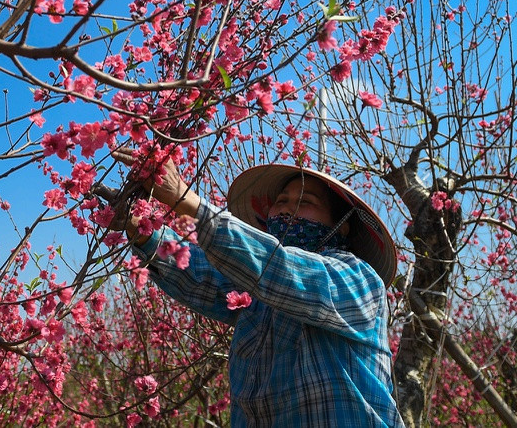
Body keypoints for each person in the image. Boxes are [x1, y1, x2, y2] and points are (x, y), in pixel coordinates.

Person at [106, 154, 405, 427]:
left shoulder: (359, 279)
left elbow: (286, 271)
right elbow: (202, 274)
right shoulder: (255, 297)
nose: (287, 208)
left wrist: (185, 200)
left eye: (305, 202)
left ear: (342, 227)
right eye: (281, 200)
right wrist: (141, 228)